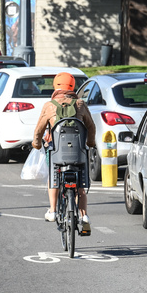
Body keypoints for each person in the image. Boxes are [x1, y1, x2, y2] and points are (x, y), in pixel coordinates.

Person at [31, 72, 96, 233]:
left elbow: (39, 129)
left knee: (53, 176)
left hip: (57, 153)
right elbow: (91, 127)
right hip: (78, 153)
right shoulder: (80, 104)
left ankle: (53, 210)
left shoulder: (50, 105)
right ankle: (84, 215)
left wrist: (37, 144)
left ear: (56, 86)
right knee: (80, 183)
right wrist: (90, 143)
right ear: (72, 86)